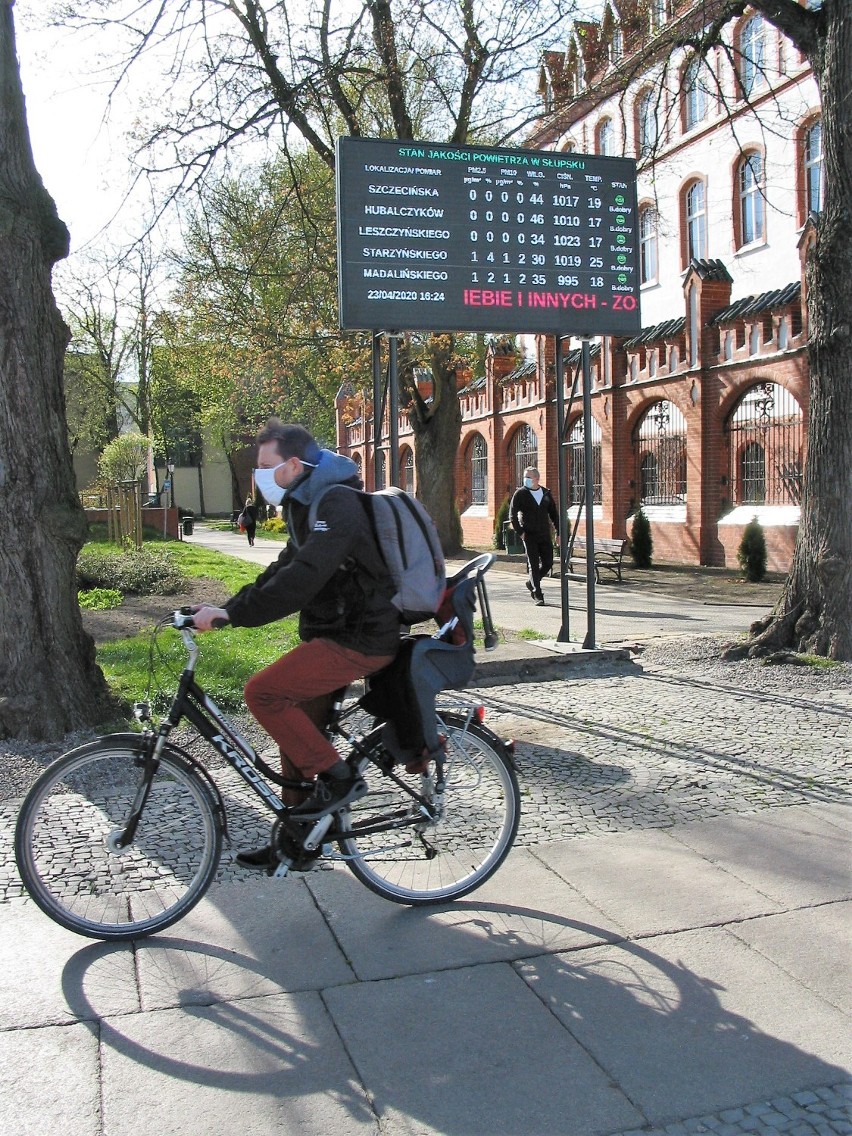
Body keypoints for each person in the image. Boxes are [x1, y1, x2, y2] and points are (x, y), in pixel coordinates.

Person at [192, 419, 401, 870]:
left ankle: (342, 779)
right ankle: (297, 840)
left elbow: (305, 578)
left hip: (362, 637)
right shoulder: (306, 505)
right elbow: (284, 569)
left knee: (263, 692)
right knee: (296, 734)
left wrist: (234, 615)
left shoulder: (337, 502)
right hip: (337, 634)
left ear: (292, 464)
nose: (259, 475)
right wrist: (225, 609)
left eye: (265, 466)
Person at [510, 466, 559, 606]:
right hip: (529, 535)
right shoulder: (520, 494)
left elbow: (554, 514)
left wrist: (559, 532)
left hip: (544, 534)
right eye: (525, 476)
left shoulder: (545, 494)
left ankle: (531, 582)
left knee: (548, 563)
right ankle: (538, 594)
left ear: (537, 479)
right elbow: (512, 515)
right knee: (533, 564)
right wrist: (521, 532)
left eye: (529, 477)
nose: (525, 479)